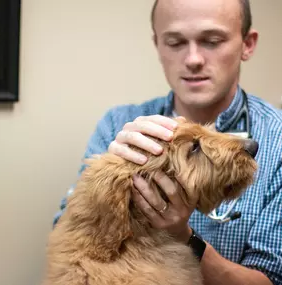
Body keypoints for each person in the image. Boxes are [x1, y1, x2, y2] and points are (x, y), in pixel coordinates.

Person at [53, 0, 282, 284]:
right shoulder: (118, 124)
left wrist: (183, 235)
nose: (193, 59)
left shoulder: (278, 139)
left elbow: (271, 279)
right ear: (157, 45)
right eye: (175, 42)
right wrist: (105, 181)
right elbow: (71, 236)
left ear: (247, 44)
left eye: (211, 41)